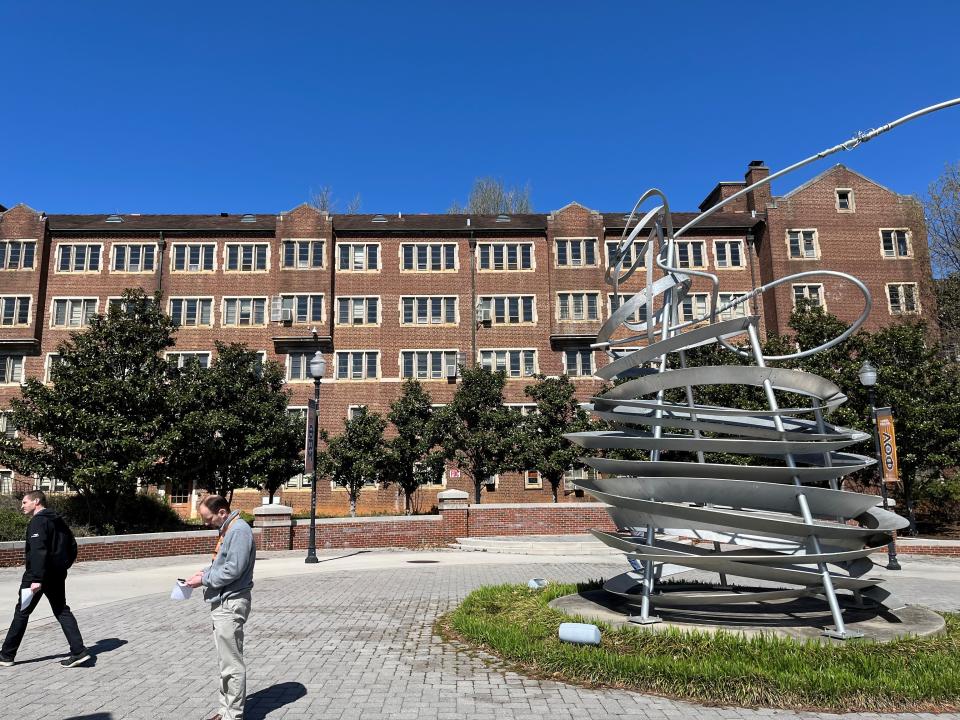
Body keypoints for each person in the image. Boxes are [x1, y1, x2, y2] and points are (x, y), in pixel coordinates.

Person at [185, 495, 256, 720]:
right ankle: (224, 710)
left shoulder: (238, 531)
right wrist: (204, 572)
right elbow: (222, 563)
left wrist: (204, 580)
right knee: (225, 661)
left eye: (208, 518)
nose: (206, 523)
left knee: (231, 663)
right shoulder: (229, 528)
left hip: (231, 602)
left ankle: (232, 715)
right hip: (224, 601)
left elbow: (233, 570)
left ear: (222, 513)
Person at [0, 490, 89, 668]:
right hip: (55, 575)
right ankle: (79, 651)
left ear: (37, 501)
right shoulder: (58, 520)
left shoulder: (38, 522)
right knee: (62, 610)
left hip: (37, 577)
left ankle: (6, 656)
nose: (22, 506)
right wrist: (62, 567)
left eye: (25, 502)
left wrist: (37, 578)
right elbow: (72, 546)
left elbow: (38, 551)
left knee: (22, 612)